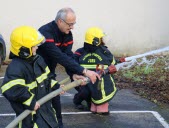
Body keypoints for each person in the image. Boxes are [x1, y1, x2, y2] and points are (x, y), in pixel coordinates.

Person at [37, 7, 100, 127]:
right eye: (70, 24)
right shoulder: (45, 32)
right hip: (36, 74)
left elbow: (68, 56)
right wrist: (84, 71)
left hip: (49, 73)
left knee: (55, 99)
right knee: (38, 105)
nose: (72, 27)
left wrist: (73, 74)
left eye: (73, 24)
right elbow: (58, 55)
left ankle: (59, 125)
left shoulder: (67, 35)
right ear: (60, 21)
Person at [1, 26, 61, 128]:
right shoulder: (16, 67)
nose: (37, 48)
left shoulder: (38, 60)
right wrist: (30, 101)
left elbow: (47, 78)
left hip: (46, 111)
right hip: (30, 117)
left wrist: (55, 86)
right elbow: (11, 89)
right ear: (24, 49)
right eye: (34, 46)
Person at [73, 27, 126, 114]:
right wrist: (118, 62)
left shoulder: (80, 52)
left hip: (85, 83)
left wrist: (119, 61)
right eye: (101, 38)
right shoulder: (104, 52)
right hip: (98, 85)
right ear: (96, 40)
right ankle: (78, 100)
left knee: (88, 95)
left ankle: (91, 104)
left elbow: (74, 63)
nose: (102, 40)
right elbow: (112, 62)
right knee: (92, 98)